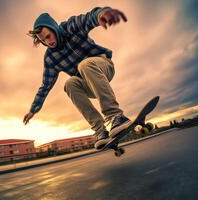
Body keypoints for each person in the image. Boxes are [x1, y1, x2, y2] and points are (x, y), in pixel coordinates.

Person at [23, 6, 131, 149]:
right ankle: (100, 131)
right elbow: (45, 85)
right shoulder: (50, 58)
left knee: (84, 65)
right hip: (89, 85)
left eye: (48, 36)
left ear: (54, 28)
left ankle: (115, 116)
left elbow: (88, 18)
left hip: (104, 67)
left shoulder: (70, 27)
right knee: (70, 84)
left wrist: (101, 15)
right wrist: (33, 109)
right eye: (43, 40)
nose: (47, 42)